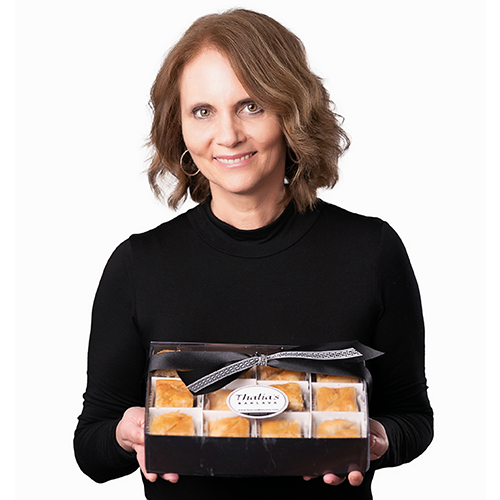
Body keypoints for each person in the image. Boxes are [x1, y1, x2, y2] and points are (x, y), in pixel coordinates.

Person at [74, 8, 433, 500]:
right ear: (179, 126)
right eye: (203, 111)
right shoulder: (138, 265)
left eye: (250, 106)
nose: (227, 136)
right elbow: (91, 447)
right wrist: (125, 433)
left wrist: (378, 439)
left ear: (292, 112)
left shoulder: (372, 251)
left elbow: (413, 417)